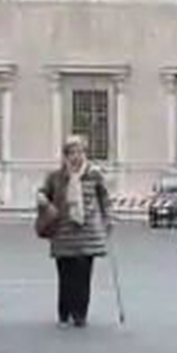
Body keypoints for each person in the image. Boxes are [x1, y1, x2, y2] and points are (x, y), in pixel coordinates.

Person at [37, 136, 112, 328]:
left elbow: (104, 198)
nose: (76, 157)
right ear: (66, 156)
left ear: (85, 154)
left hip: (88, 233)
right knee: (66, 276)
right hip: (63, 232)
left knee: (84, 277)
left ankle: (80, 314)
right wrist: (43, 200)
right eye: (72, 153)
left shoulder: (94, 175)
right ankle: (64, 314)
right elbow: (43, 192)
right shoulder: (56, 176)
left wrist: (108, 219)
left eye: (79, 152)